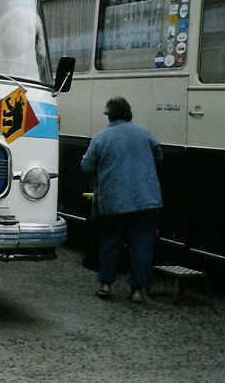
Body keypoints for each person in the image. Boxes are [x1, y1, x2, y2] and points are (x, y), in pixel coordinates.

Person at [80, 96, 163, 303]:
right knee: (142, 245)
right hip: (147, 200)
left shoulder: (101, 137)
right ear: (129, 114)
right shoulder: (145, 133)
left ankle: (106, 285)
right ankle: (137, 291)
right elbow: (159, 156)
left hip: (114, 201)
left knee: (110, 242)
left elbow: (86, 166)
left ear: (109, 116)